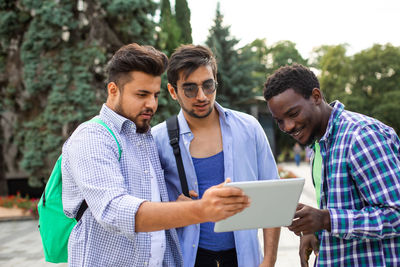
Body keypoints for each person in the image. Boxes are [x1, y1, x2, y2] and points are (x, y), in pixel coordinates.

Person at [61, 43, 250, 267]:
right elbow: (113, 209)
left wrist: (173, 201)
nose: (151, 104)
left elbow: (143, 197)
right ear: (113, 90)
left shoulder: (143, 136)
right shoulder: (92, 137)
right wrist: (201, 209)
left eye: (155, 95)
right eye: (141, 94)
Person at [152, 44, 281, 267]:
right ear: (173, 92)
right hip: (187, 259)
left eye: (208, 86)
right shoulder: (158, 139)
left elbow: (274, 198)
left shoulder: (249, 128)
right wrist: (171, 206)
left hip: (244, 258)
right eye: (190, 89)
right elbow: (143, 204)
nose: (201, 96)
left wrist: (269, 260)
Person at [263, 63, 400, 267]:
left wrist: (326, 220)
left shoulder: (360, 136)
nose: (288, 127)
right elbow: (343, 208)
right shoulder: (319, 144)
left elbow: (395, 214)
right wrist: (312, 229)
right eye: (279, 121)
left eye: (293, 114)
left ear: (316, 96)